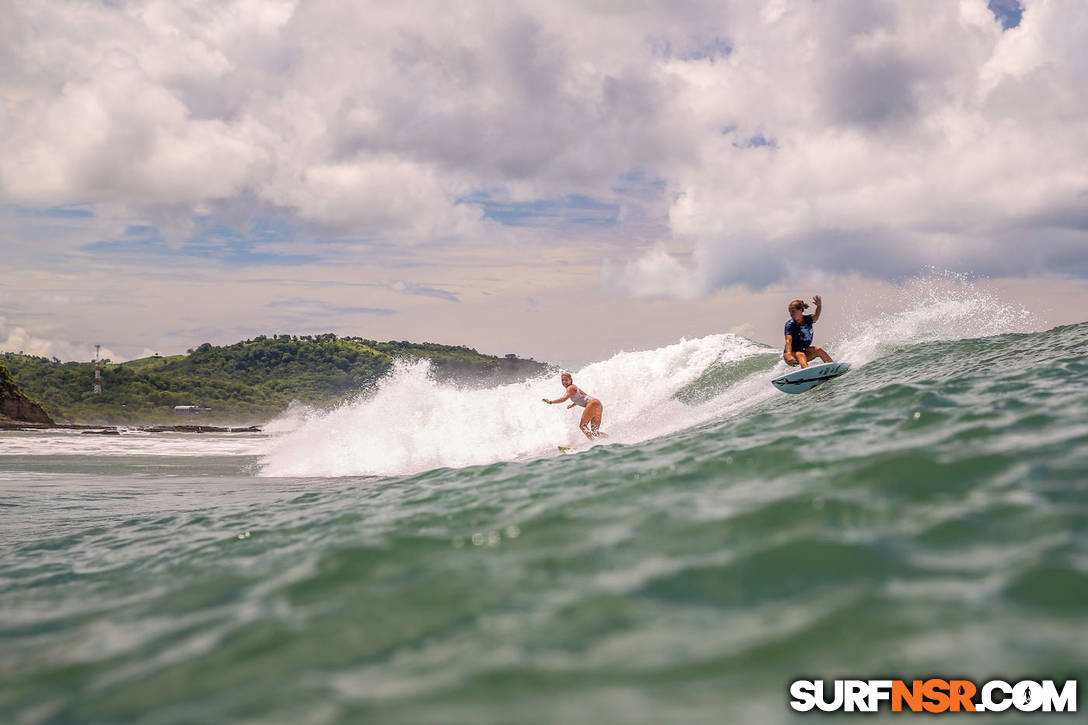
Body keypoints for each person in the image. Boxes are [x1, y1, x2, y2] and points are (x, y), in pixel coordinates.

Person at [542, 372, 604, 439]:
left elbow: (563, 399)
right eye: (562, 380)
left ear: (570, 380)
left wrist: (550, 402)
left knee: (582, 425)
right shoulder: (574, 388)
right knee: (595, 431)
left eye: (566, 380)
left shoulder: (570, 388)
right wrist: (572, 405)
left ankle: (593, 442)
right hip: (598, 404)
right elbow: (582, 398)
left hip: (593, 403)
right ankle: (608, 439)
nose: (564, 382)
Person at [783, 295, 834, 368]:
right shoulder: (790, 325)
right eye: (790, 312)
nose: (791, 314)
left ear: (800, 310)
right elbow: (788, 340)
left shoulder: (808, 319)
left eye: (793, 311)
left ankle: (832, 366)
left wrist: (819, 306)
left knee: (818, 350)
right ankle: (806, 372)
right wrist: (788, 354)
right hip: (791, 354)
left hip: (805, 351)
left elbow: (816, 316)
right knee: (800, 354)